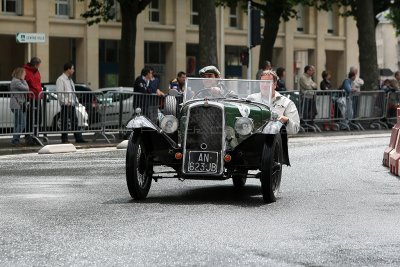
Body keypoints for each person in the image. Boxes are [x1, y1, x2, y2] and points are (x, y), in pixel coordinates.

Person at [247, 70, 300, 134]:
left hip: (275, 140)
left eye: (268, 82)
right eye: (262, 82)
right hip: (253, 138)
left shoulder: (286, 103)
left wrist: (286, 121)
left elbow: (295, 129)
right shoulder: (251, 99)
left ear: (275, 84)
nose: (264, 85)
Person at [56, 62, 87, 144]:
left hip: (72, 104)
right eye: (72, 68)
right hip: (66, 104)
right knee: (65, 122)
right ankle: (64, 138)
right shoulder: (61, 79)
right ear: (68, 69)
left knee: (74, 121)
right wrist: (65, 102)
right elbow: (60, 93)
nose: (73, 70)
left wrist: (75, 101)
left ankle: (78, 138)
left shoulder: (70, 80)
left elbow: (72, 92)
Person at [23, 57, 42, 145]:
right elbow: (24, 84)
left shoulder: (37, 72)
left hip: (37, 97)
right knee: (30, 118)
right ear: (35, 64)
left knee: (38, 118)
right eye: (38, 65)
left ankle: (35, 135)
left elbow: (38, 83)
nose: (39, 66)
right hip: (30, 97)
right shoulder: (26, 71)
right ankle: (29, 137)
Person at [9, 67, 29, 146]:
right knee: (22, 123)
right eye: (24, 73)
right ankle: (15, 140)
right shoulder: (17, 81)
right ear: (20, 74)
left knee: (18, 123)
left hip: (18, 105)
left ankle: (15, 139)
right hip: (17, 105)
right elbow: (26, 88)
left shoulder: (15, 81)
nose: (25, 75)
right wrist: (24, 80)